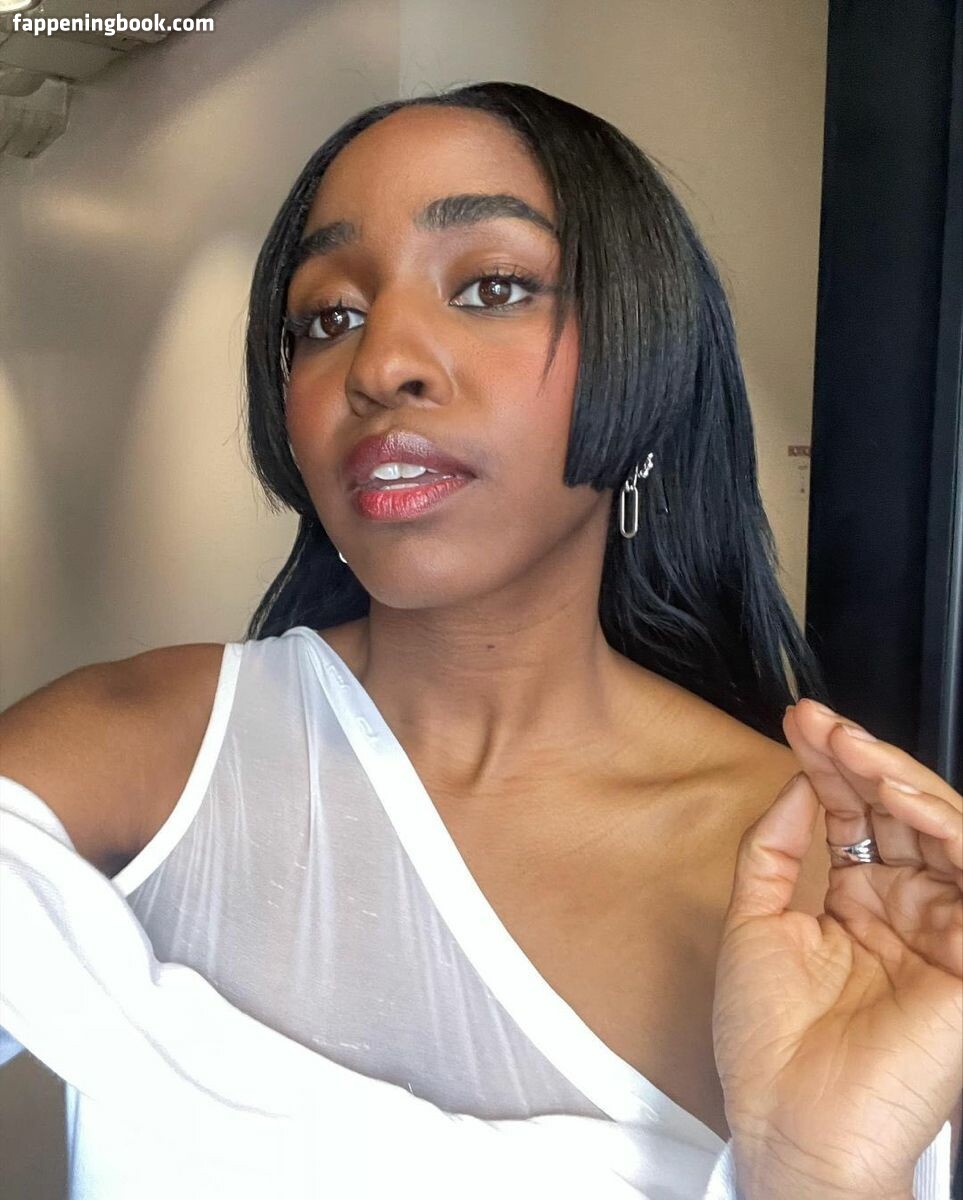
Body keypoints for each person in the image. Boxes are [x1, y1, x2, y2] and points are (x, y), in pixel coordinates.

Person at [1, 81, 959, 1199]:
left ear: (645, 356)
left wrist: (821, 1172)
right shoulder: (140, 751)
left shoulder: (833, 893)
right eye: (328, 317)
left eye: (493, 287)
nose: (380, 366)